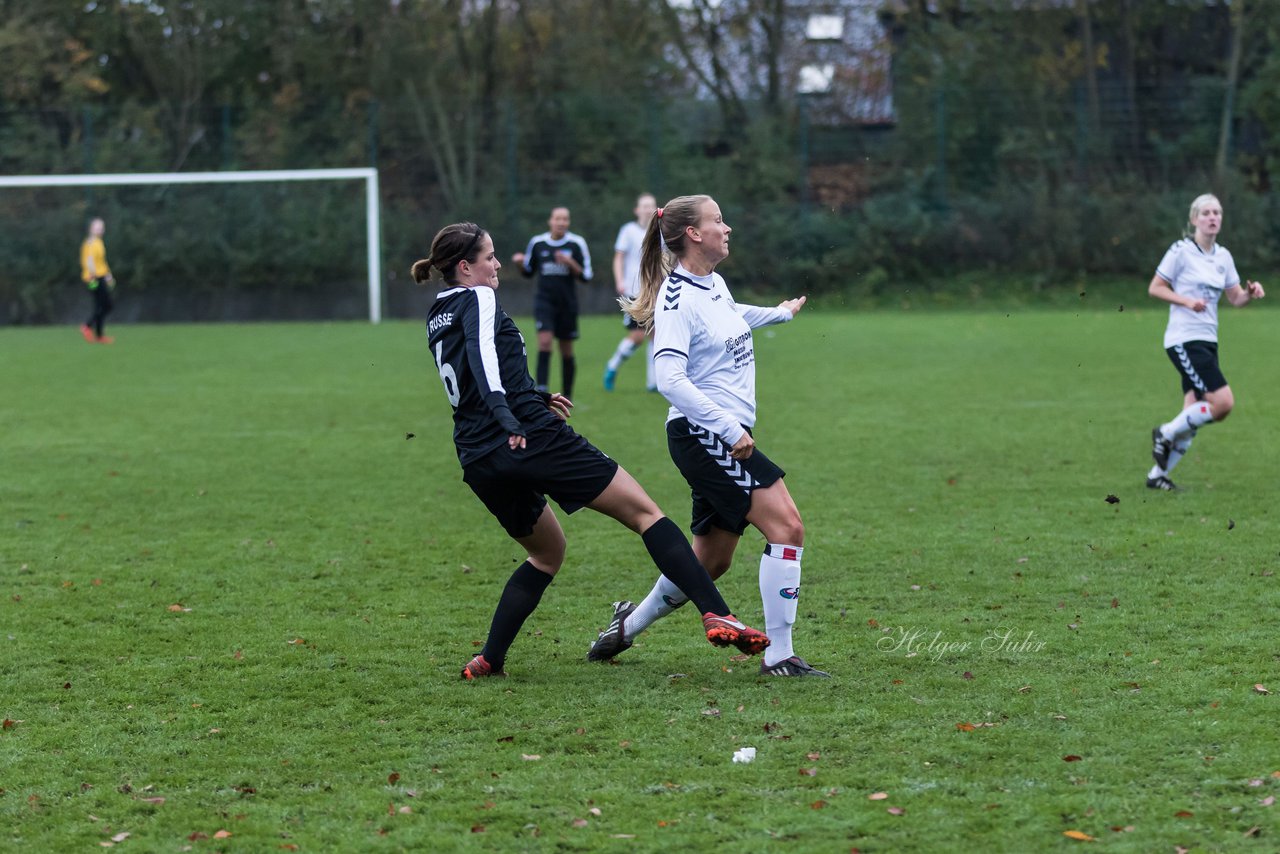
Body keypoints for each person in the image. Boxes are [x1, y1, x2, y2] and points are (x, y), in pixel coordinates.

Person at [418, 221, 770, 680]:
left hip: (478, 456)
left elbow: (470, 377)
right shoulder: (479, 296)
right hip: (526, 436)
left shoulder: (436, 313)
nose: (498, 263)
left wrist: (535, 393)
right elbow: (484, 361)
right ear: (465, 267)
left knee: (547, 554)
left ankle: (489, 659)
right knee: (647, 514)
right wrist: (512, 416)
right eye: (489, 256)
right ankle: (716, 613)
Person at [588, 194, 829, 678]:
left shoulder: (712, 283)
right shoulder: (674, 301)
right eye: (718, 220)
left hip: (720, 435)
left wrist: (777, 314)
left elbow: (727, 313)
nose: (728, 227)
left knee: (711, 561)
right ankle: (780, 656)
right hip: (706, 436)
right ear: (693, 234)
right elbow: (671, 379)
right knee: (788, 527)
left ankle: (624, 629)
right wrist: (727, 427)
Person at [1146, 193, 1265, 490]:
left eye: (1217, 213)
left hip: (1208, 339)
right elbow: (1156, 288)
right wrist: (1186, 301)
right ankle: (1164, 432)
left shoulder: (1223, 257)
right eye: (1207, 213)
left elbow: (1235, 298)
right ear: (1194, 219)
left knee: (1195, 410)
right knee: (1222, 403)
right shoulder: (1181, 251)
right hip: (1184, 339)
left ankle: (1156, 476)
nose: (1213, 217)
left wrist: (1250, 293)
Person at [512, 207, 593, 401]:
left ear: (568, 222)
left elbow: (587, 276)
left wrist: (570, 263)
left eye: (565, 219)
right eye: (558, 219)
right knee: (545, 342)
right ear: (550, 221)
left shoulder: (576, 243)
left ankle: (567, 395)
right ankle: (541, 393)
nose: (561, 223)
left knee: (566, 349)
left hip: (567, 303)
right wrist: (519, 263)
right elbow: (528, 271)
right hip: (544, 302)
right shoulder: (538, 243)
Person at [604, 193, 658, 392]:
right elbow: (619, 257)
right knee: (637, 336)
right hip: (634, 291)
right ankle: (612, 366)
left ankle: (653, 382)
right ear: (637, 210)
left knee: (655, 335)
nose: (647, 209)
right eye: (644, 206)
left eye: (651, 205)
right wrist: (619, 280)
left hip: (654, 291)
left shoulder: (659, 231)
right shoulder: (628, 230)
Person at [79, 217, 116, 344]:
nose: (100, 230)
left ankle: (98, 335)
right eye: (97, 227)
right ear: (91, 229)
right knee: (105, 305)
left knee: (101, 306)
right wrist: (94, 277)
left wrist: (108, 274)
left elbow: (101, 261)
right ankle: (87, 326)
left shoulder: (99, 242)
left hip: (100, 276)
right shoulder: (90, 243)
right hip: (92, 278)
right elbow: (89, 261)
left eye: (101, 227)